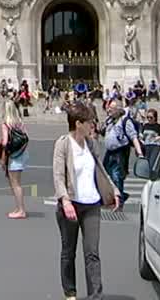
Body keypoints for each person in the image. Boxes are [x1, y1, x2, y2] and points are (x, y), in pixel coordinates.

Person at [52, 102, 119, 300]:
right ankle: (70, 293)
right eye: (90, 121)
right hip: (71, 204)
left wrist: (113, 190)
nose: (93, 124)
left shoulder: (91, 144)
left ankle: (95, 296)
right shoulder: (63, 144)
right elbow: (58, 176)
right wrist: (65, 201)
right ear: (78, 123)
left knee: (92, 253)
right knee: (68, 252)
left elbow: (100, 170)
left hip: (92, 204)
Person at [101, 99, 143, 210]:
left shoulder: (125, 121)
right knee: (106, 175)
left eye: (112, 108)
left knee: (116, 176)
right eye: (109, 107)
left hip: (119, 152)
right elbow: (102, 132)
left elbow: (133, 137)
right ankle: (120, 196)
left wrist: (140, 153)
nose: (109, 110)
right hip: (109, 152)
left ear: (119, 110)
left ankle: (119, 202)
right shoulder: (109, 120)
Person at [0, 99, 29, 219]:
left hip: (13, 156)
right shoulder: (19, 122)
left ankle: (21, 210)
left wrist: (3, 156)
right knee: (15, 182)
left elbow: (5, 142)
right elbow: (27, 137)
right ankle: (18, 207)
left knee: (15, 184)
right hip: (22, 153)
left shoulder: (6, 124)